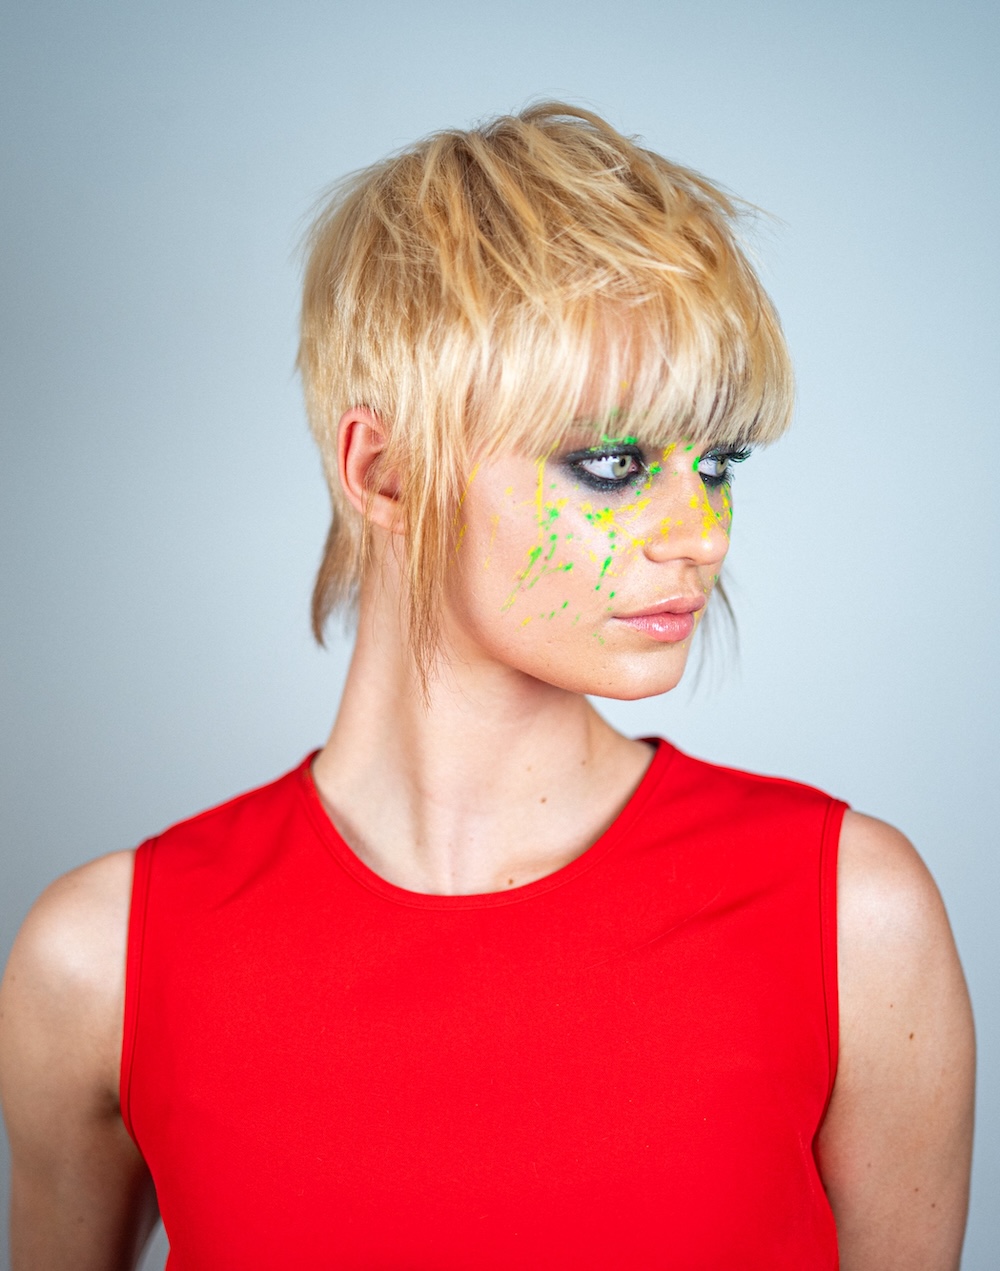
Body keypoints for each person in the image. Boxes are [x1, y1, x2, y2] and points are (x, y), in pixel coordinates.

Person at [0, 102, 975, 1270]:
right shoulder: (102, 960)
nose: (701, 532)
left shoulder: (850, 920)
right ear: (385, 472)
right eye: (611, 463)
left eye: (716, 460)